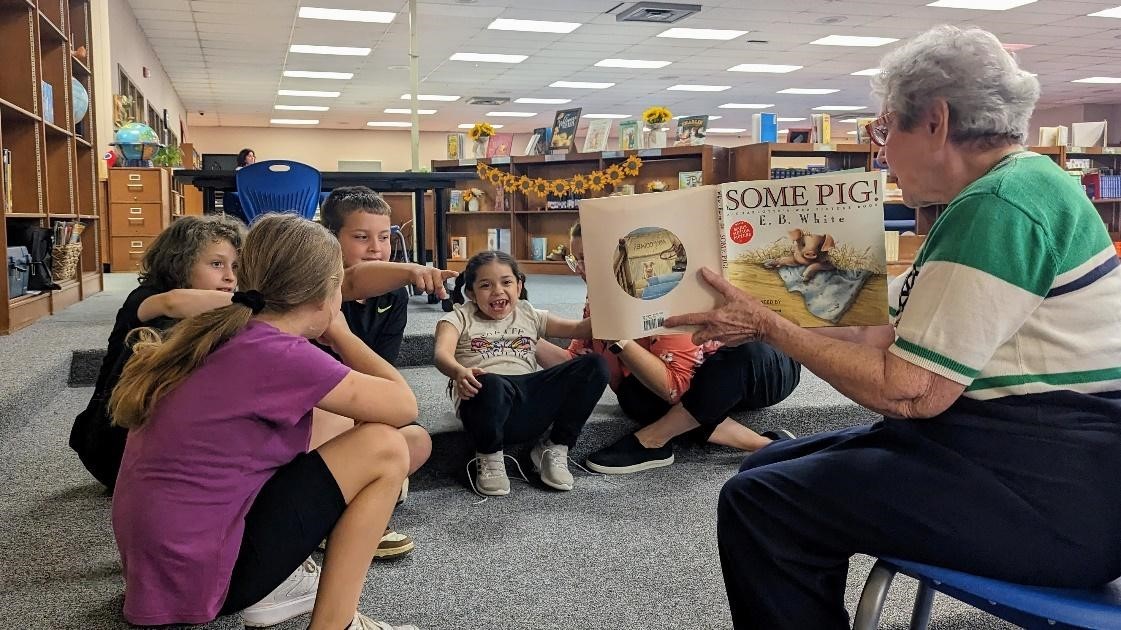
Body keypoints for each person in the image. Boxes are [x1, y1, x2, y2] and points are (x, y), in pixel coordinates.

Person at [665, 26, 1121, 630]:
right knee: (760, 471)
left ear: (934, 120)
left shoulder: (1001, 205)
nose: (881, 154)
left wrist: (772, 326)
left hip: (1054, 492)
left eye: (885, 130)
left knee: (760, 504)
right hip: (1025, 455)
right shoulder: (1016, 188)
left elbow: (909, 392)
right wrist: (765, 318)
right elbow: (883, 338)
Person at [110, 214, 419, 630]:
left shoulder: (226, 331)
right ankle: (336, 624)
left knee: (331, 414)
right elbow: (403, 405)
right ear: (324, 296)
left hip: (161, 571)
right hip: (201, 580)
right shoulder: (280, 355)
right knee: (385, 447)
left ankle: (285, 580)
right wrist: (342, 334)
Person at [537, 222, 801, 475]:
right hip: (699, 387)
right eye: (576, 261)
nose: (581, 270)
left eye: (588, 259)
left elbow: (676, 386)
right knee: (633, 395)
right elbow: (576, 362)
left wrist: (617, 338)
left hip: (761, 372)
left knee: (743, 357)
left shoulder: (666, 289)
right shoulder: (599, 295)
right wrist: (520, 332)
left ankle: (651, 440)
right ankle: (764, 445)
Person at [315, 185, 454, 559]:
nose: (376, 248)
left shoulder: (393, 296)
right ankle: (344, 515)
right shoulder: (316, 286)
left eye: (384, 237)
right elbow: (353, 281)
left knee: (417, 441)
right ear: (331, 239)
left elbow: (381, 375)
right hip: (315, 409)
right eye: (361, 237)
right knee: (336, 418)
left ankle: (346, 500)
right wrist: (411, 270)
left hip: (359, 403)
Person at [69, 215, 245, 491]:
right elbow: (173, 303)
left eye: (235, 266)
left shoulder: (214, 307)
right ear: (182, 262)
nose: (230, 276)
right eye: (216, 264)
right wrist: (261, 305)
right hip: (110, 442)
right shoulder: (147, 297)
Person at [434, 250, 609, 496]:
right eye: (486, 285)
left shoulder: (528, 313)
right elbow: (441, 354)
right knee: (490, 383)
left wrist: (614, 304)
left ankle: (555, 447)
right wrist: (459, 371)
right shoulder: (458, 318)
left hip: (528, 399)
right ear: (471, 293)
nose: (497, 291)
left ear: (519, 285)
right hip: (485, 400)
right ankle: (489, 455)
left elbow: (580, 329)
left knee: (595, 366)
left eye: (506, 282)